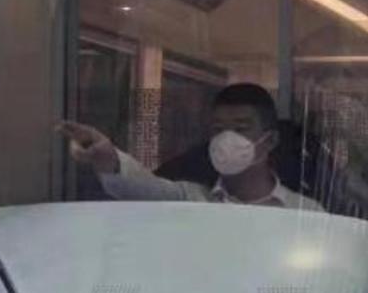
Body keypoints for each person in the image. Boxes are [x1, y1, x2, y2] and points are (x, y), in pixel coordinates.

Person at [57, 83, 322, 210]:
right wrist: (106, 156)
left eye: (241, 129)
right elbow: (140, 187)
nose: (227, 138)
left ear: (270, 140)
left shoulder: (304, 213)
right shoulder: (191, 201)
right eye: (218, 129)